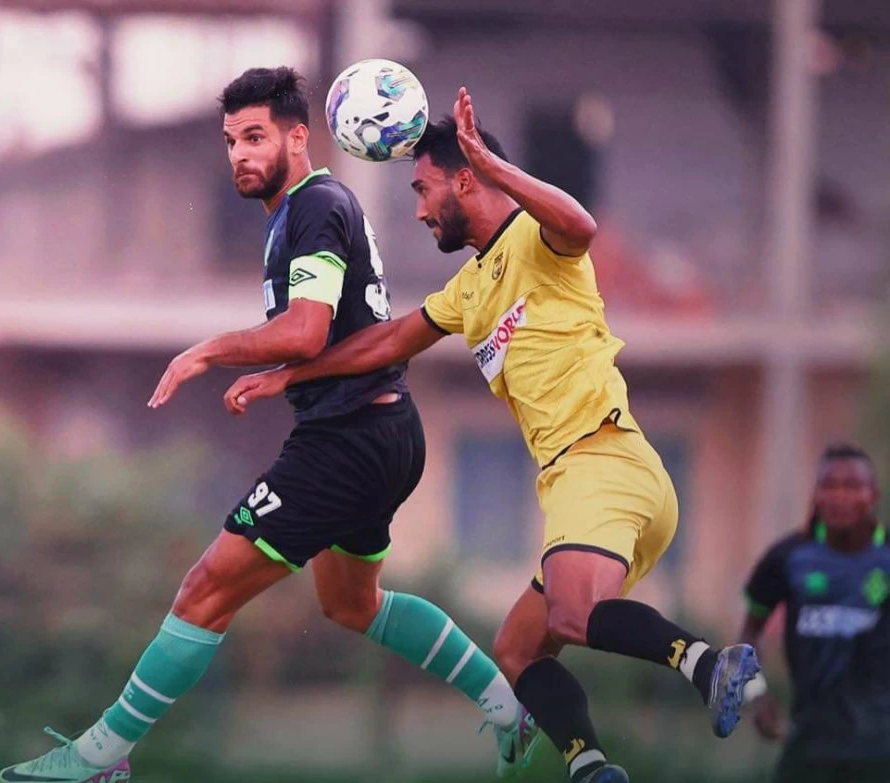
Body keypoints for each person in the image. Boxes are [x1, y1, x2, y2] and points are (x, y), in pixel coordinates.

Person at [0, 68, 534, 783]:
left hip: (345, 440)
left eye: (255, 136)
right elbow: (321, 334)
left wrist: (207, 350)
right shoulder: (301, 213)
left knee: (204, 587)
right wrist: (283, 375)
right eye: (231, 141)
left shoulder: (315, 204)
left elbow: (306, 330)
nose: (240, 154)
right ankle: (509, 709)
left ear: (298, 136)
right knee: (350, 602)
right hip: (383, 430)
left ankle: (100, 758)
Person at [225, 87, 764, 783]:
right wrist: (286, 375)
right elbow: (389, 339)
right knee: (517, 650)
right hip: (589, 484)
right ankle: (591, 765)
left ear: (466, 178)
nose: (418, 210)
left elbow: (581, 225)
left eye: (423, 189)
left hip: (602, 460)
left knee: (572, 613)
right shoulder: (470, 287)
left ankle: (708, 665)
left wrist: (498, 165)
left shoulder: (539, 240)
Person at [741, 444, 889, 783]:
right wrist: (756, 693)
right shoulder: (788, 557)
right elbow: (749, 632)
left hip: (881, 749)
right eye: (829, 485)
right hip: (809, 745)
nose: (840, 496)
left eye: (852, 486)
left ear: (873, 495)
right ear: (816, 494)